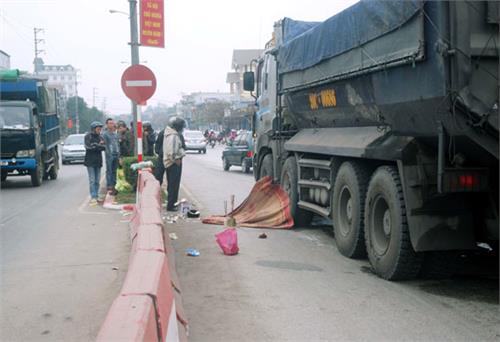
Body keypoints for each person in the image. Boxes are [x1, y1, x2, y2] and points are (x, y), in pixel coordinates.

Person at [163, 116, 186, 211]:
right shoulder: (173, 136)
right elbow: (171, 152)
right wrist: (176, 160)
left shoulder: (172, 134)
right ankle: (171, 205)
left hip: (173, 162)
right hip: (173, 163)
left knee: (174, 185)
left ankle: (173, 203)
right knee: (173, 185)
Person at [84, 121, 106, 205]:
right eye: (98, 129)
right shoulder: (87, 136)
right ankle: (93, 196)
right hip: (90, 161)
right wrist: (97, 145)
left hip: (98, 161)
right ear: (93, 129)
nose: (99, 130)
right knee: (92, 180)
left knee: (97, 180)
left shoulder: (101, 137)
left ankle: (96, 195)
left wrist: (95, 145)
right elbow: (88, 147)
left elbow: (104, 147)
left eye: (100, 129)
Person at [102, 118, 120, 195]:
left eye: (112, 123)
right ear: (107, 124)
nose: (111, 124)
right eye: (109, 123)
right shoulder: (105, 134)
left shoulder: (116, 134)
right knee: (109, 170)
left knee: (115, 170)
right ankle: (109, 185)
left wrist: (119, 155)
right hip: (109, 155)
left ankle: (114, 185)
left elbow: (118, 144)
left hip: (116, 154)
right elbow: (104, 145)